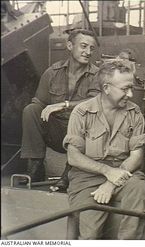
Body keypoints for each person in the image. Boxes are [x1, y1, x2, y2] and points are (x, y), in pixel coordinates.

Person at [62, 60, 145, 239]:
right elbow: (73, 157)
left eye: (131, 88)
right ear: (107, 88)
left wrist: (111, 182)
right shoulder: (82, 112)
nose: (131, 94)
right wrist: (107, 171)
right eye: (125, 89)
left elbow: (136, 157)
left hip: (124, 174)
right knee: (90, 232)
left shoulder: (135, 113)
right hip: (87, 178)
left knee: (138, 190)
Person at [20, 29, 99, 183]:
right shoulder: (52, 72)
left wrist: (64, 105)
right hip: (57, 134)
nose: (88, 52)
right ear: (70, 46)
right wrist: (45, 111)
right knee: (31, 110)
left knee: (93, 115)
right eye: (83, 46)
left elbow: (95, 102)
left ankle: (71, 169)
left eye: (92, 48)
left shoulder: (98, 74)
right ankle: (35, 167)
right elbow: (39, 102)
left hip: (83, 135)